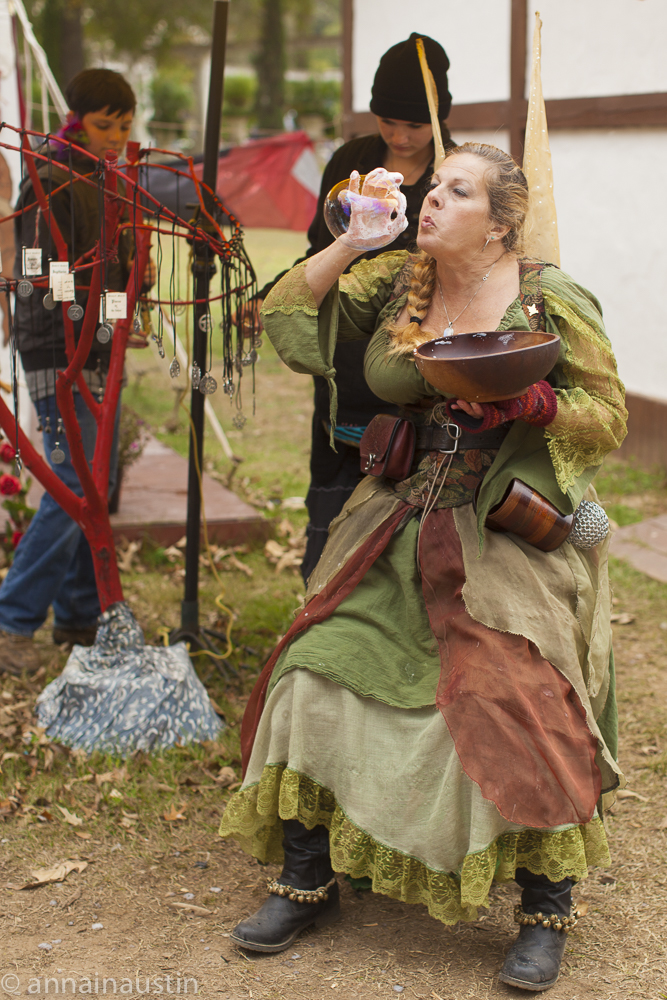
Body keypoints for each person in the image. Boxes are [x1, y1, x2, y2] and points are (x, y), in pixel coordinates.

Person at [219, 144, 628, 992]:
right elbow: (284, 318)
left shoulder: (547, 295)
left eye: (454, 189)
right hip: (394, 513)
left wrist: (534, 399)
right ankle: (307, 877)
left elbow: (605, 414)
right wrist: (351, 240)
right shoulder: (396, 280)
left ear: (501, 222)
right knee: (309, 668)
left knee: (512, 688)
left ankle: (545, 908)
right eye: (430, 184)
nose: (427, 197)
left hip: (498, 527)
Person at [254, 33, 455, 583]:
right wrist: (276, 290)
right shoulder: (351, 162)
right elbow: (320, 248)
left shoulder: (451, 173)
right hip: (344, 346)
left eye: (413, 125)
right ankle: (319, 586)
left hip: (410, 351)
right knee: (337, 476)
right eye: (388, 121)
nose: (399, 135)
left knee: (403, 483)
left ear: (437, 118)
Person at [0, 68, 144, 675]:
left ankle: (81, 614)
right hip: (56, 346)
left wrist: (125, 295)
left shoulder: (112, 178)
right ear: (77, 120)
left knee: (96, 476)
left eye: (124, 125)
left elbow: (115, 267)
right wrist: (86, 313)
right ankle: (12, 618)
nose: (114, 136)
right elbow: (42, 269)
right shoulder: (48, 176)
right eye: (102, 124)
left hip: (97, 341)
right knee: (75, 482)